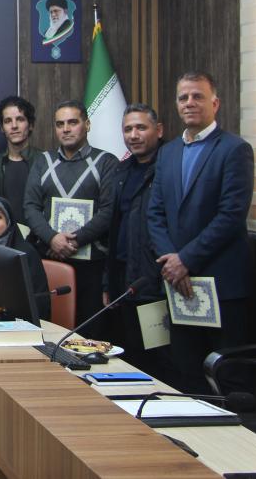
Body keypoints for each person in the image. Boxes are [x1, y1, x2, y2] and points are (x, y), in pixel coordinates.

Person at [147, 72, 254, 394]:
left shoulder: (235, 149)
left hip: (221, 285)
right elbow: (155, 213)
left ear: (215, 103)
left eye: (198, 96)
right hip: (178, 285)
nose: (189, 103)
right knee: (186, 373)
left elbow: (231, 216)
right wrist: (171, 261)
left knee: (227, 379)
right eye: (183, 97)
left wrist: (186, 260)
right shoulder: (168, 152)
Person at [23, 100, 118, 338]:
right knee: (50, 331)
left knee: (89, 335)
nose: (65, 129)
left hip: (92, 265)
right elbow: (31, 206)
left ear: (87, 124)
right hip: (49, 259)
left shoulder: (106, 162)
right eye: (60, 124)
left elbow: (109, 211)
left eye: (72, 122)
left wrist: (74, 240)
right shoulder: (43, 161)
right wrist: (52, 238)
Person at [105, 104, 172, 381]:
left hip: (157, 280)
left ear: (159, 130)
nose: (133, 135)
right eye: (128, 129)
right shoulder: (121, 171)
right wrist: (108, 283)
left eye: (141, 128)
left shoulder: (170, 165)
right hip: (125, 279)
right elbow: (113, 229)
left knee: (160, 361)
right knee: (131, 358)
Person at [0, 96, 40, 222]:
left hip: (39, 233)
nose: (14, 126)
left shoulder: (45, 162)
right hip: (3, 233)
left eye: (20, 119)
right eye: (8, 121)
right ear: (2, 127)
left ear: (31, 125)